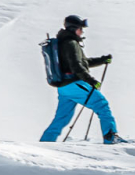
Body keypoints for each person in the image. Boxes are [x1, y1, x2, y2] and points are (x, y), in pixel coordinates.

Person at [40, 14, 123, 143]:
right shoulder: (71, 43)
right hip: (74, 84)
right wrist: (91, 81)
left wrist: (102, 60)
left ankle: (45, 143)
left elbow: (82, 62)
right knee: (102, 106)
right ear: (73, 29)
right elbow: (76, 66)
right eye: (80, 28)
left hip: (63, 87)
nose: (82, 31)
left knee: (61, 118)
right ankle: (111, 138)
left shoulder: (64, 42)